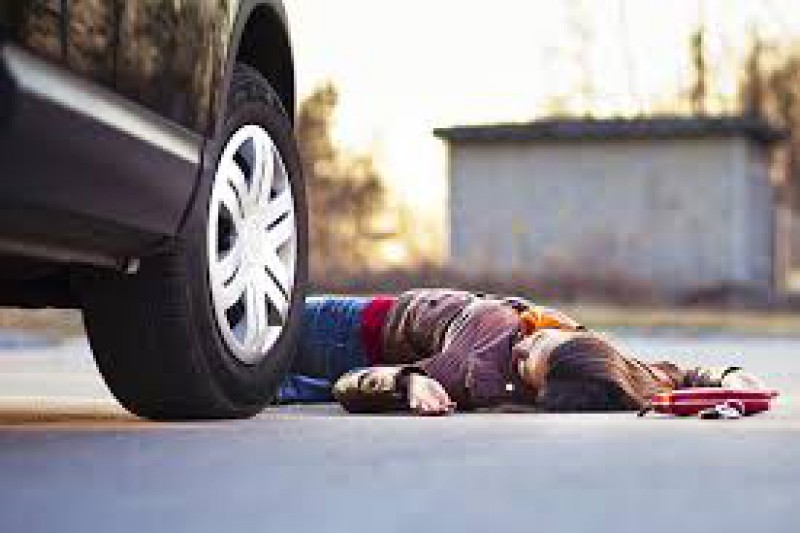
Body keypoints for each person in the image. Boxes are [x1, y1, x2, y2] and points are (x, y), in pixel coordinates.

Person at [277, 289, 759, 415]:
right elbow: (664, 375)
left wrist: (406, 382)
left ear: (543, 391)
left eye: (528, 361)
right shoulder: (595, 358)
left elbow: (351, 385)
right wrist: (728, 378)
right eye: (546, 337)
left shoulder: (474, 366)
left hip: (345, 347)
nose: (526, 340)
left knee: (248, 377)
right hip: (350, 319)